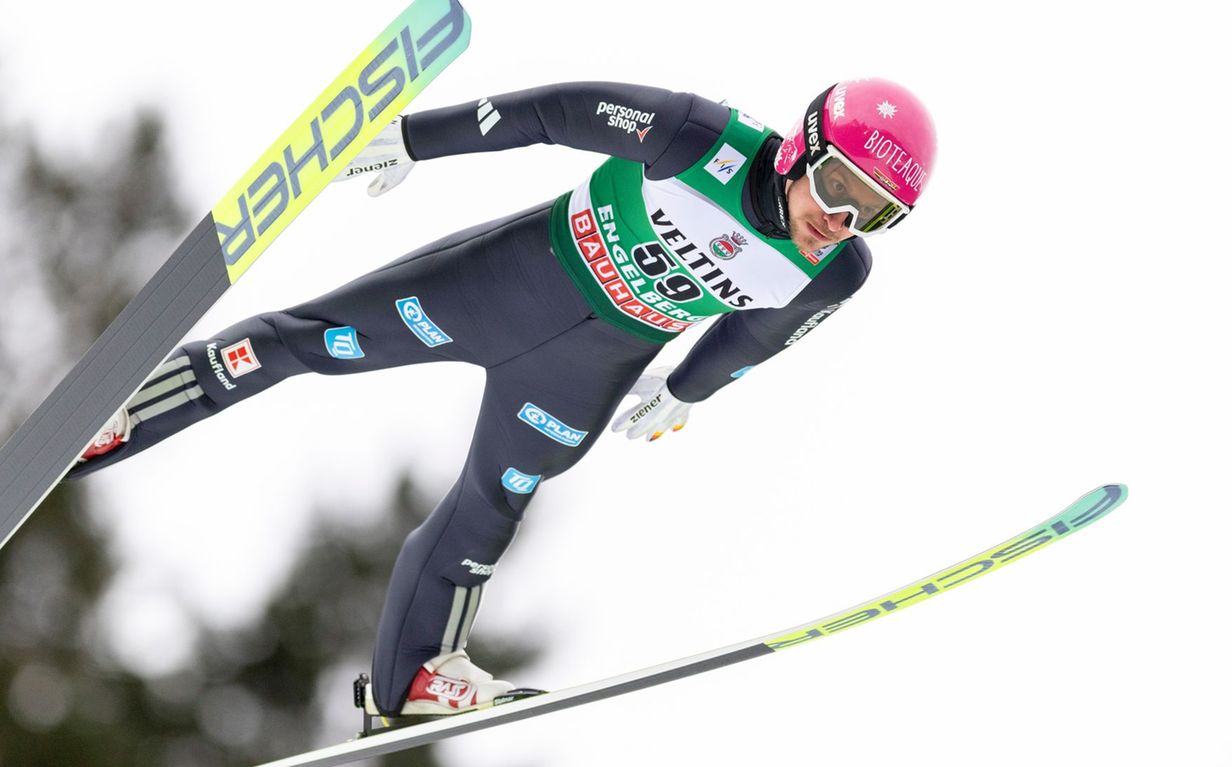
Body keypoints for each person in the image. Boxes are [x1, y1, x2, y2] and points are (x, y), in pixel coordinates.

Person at [68, 78, 937, 726]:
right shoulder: (699, 139)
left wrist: (684, 390)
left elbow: (757, 335)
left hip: (583, 371)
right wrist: (413, 139)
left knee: (495, 503)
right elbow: (550, 114)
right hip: (504, 285)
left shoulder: (838, 271)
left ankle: (413, 677)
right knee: (307, 340)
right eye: (837, 187)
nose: (840, 219)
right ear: (800, 148)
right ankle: (129, 410)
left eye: (873, 213)